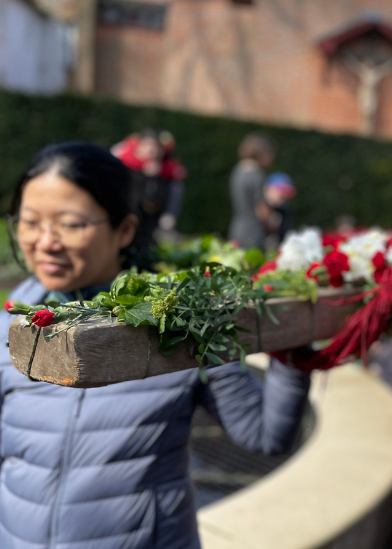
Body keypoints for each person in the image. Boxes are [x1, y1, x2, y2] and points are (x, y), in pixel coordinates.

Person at [0, 142, 311, 549]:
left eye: (70, 224)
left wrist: (295, 342)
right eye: (29, 221)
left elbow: (264, 434)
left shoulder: (182, 320)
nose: (45, 242)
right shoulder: (11, 323)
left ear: (125, 229)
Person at [229, 132, 276, 249]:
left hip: (237, 228)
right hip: (253, 232)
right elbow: (261, 209)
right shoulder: (257, 175)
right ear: (261, 153)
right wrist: (272, 226)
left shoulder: (237, 171)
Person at [263, 172, 296, 248]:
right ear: (267, 189)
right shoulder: (255, 210)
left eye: (285, 194)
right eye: (280, 191)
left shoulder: (284, 213)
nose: (283, 197)